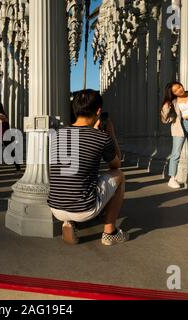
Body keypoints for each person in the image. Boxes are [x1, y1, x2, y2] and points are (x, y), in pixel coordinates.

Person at [48, 90, 129, 246]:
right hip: (84, 209)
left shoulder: (57, 134)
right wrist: (110, 133)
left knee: (72, 175)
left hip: (55, 207)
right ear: (98, 111)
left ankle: (69, 222)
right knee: (119, 176)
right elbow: (116, 164)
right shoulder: (100, 137)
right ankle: (109, 232)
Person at [160, 82, 188, 189]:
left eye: (179, 87)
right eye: (175, 90)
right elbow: (165, 120)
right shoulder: (173, 102)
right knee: (176, 153)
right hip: (180, 126)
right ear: (173, 94)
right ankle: (172, 178)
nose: (179, 90)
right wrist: (166, 107)